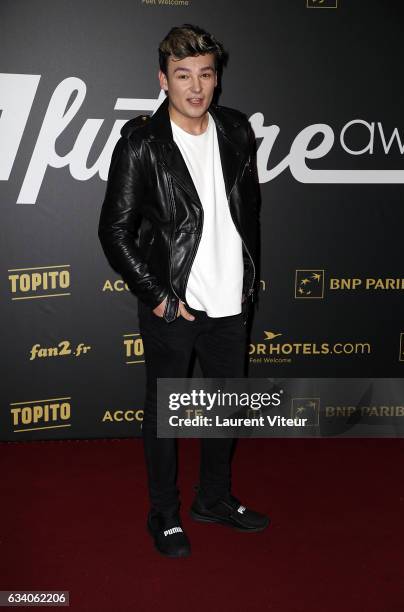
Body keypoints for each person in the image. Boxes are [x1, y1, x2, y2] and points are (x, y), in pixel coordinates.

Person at [98, 23, 269, 558]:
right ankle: (164, 514)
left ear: (216, 80)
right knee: (165, 416)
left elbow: (248, 213)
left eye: (205, 74)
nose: (195, 87)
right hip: (175, 306)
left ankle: (213, 499)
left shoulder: (238, 130)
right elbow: (114, 230)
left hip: (231, 302)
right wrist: (158, 296)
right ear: (163, 80)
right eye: (182, 75)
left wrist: (244, 284)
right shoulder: (143, 143)